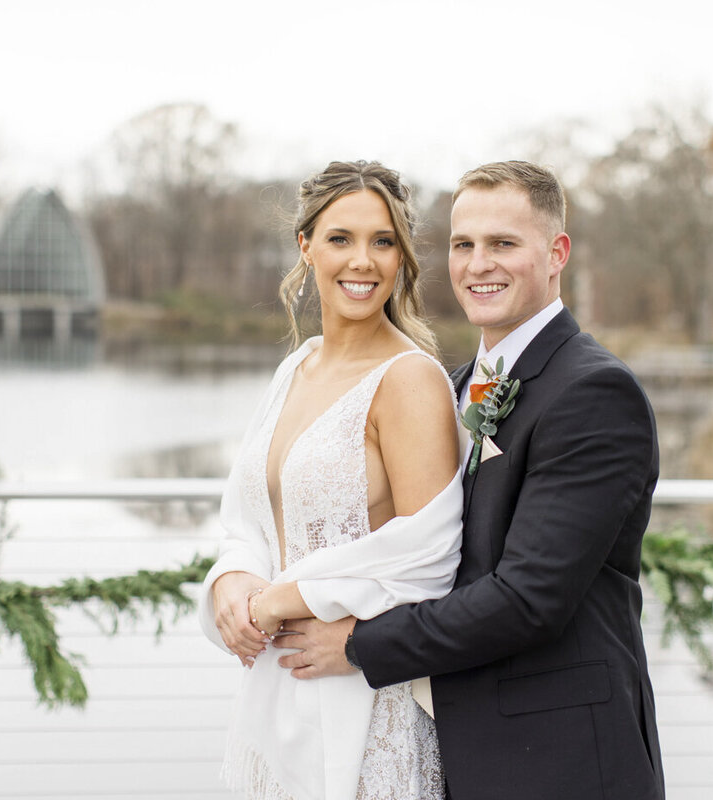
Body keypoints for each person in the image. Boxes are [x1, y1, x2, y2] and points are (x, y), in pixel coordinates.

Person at [277, 161, 666, 800]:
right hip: (455, 750)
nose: (478, 264)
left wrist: (359, 644)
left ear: (555, 254)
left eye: (503, 244)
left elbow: (528, 599)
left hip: (562, 762)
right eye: (464, 245)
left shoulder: (594, 392)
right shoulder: (450, 387)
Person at [197, 160, 464, 800]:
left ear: (402, 257)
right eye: (341, 238)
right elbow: (247, 518)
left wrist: (279, 601)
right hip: (277, 691)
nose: (362, 261)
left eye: (383, 241)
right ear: (306, 247)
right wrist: (232, 582)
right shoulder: (296, 368)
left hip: (367, 701)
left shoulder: (410, 379)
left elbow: (432, 556)